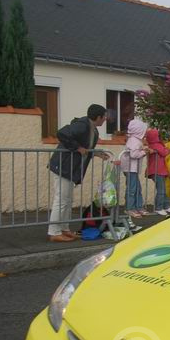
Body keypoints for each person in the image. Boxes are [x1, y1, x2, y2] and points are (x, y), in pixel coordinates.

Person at [46, 104, 110, 242]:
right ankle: (54, 232)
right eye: (104, 116)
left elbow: (85, 150)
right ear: (98, 117)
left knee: (67, 201)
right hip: (63, 167)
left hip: (70, 169)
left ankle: (64, 229)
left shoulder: (93, 130)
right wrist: (77, 147)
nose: (105, 119)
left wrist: (96, 153)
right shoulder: (82, 125)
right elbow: (62, 133)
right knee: (61, 200)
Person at [120, 119, 148, 217]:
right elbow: (134, 154)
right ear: (139, 131)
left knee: (136, 188)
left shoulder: (134, 140)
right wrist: (145, 152)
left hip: (131, 168)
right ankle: (130, 208)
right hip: (130, 168)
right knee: (132, 189)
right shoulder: (134, 141)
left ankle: (138, 207)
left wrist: (143, 151)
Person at [144, 128, 170, 216]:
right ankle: (159, 207)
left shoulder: (151, 145)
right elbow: (164, 152)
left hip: (158, 171)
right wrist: (169, 150)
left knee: (163, 189)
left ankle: (166, 205)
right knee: (161, 190)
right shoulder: (156, 145)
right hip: (158, 171)